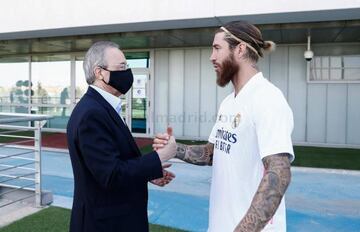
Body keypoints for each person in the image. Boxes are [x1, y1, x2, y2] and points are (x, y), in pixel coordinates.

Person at [154, 21, 295, 232]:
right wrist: (176, 149)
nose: (212, 57)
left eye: (217, 48)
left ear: (240, 49)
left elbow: (279, 173)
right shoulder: (229, 102)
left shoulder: (268, 98)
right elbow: (213, 153)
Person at [67, 41, 177, 232]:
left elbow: (114, 163)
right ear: (99, 72)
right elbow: (111, 174)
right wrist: (161, 156)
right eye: (122, 67)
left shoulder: (101, 107)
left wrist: (148, 174)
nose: (127, 73)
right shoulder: (92, 113)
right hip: (105, 225)